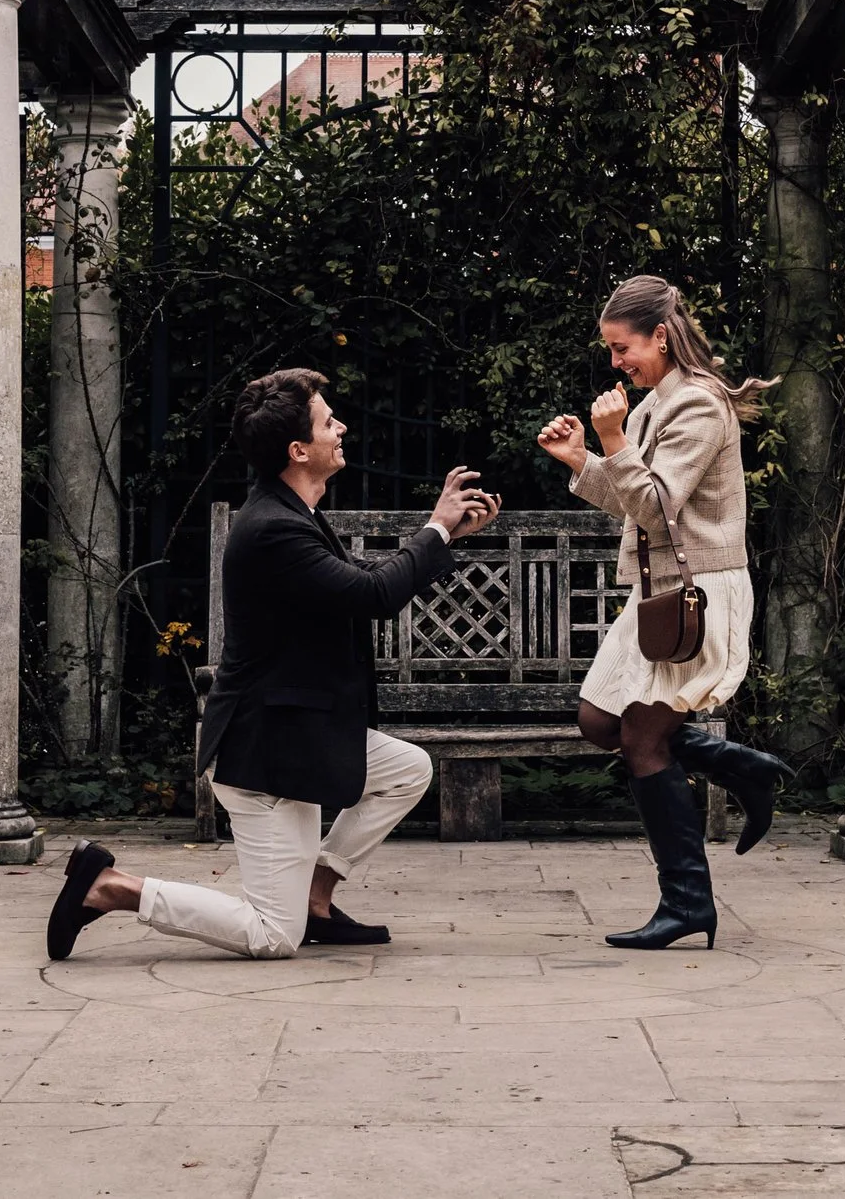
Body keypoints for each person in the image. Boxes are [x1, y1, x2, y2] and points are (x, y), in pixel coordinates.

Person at [47, 367, 498, 961]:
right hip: (265, 756)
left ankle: (316, 895)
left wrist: (442, 539)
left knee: (406, 769)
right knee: (272, 935)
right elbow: (371, 596)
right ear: (298, 450)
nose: (341, 427)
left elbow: (356, 583)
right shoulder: (272, 529)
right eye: (328, 421)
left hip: (302, 734)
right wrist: (435, 528)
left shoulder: (292, 514)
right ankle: (112, 887)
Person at [538, 274, 791, 950]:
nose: (615, 361)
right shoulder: (656, 402)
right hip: (658, 594)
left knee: (644, 742)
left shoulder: (699, 405)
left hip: (697, 594)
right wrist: (583, 459)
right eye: (610, 350)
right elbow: (637, 499)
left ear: (660, 336)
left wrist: (612, 439)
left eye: (622, 348)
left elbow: (656, 505)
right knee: (599, 720)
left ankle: (687, 902)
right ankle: (742, 767)